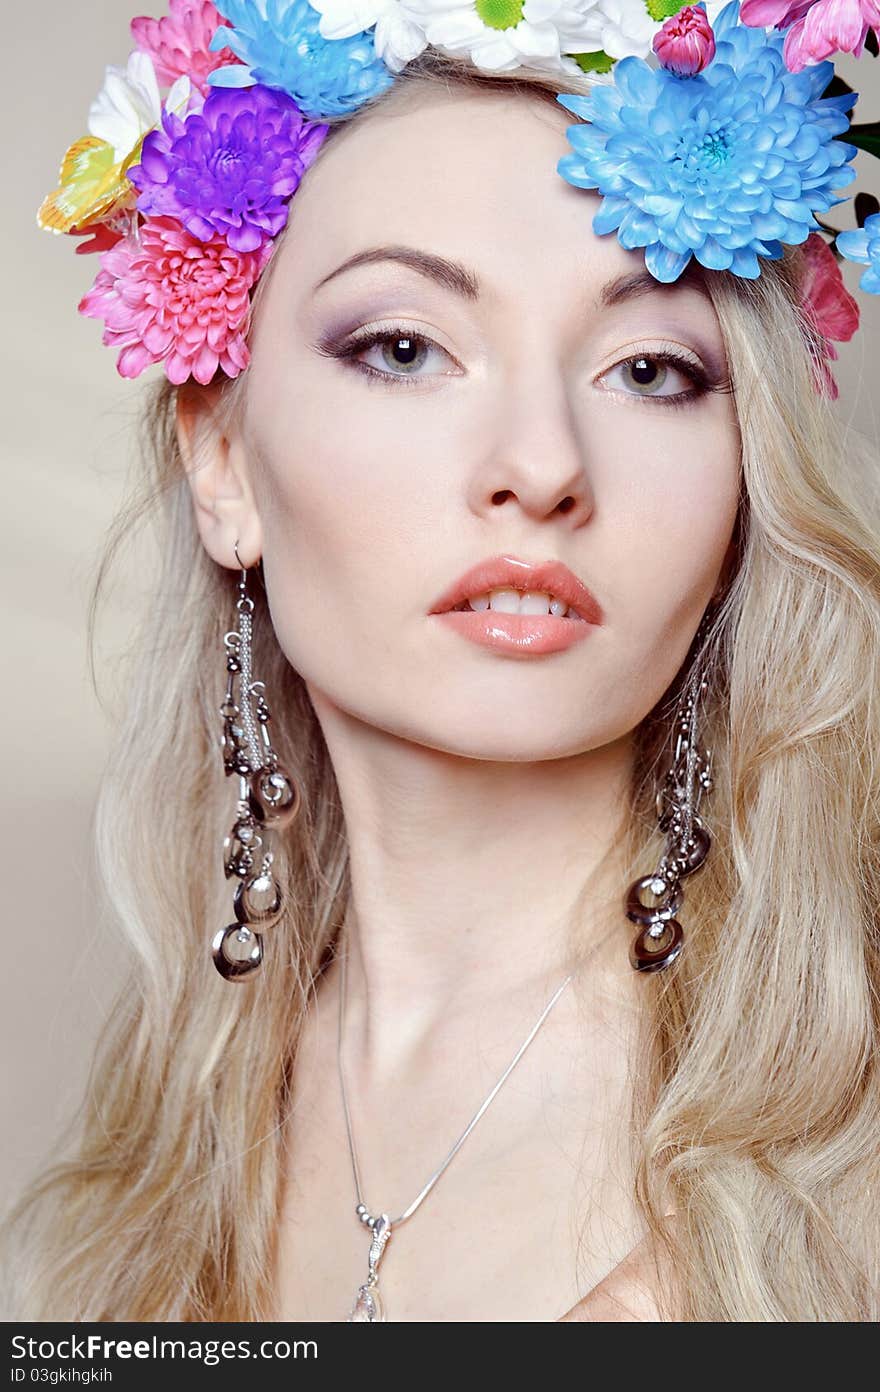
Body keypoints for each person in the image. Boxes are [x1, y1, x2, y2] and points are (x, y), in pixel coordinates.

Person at [3, 0, 880, 1322]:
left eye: (650, 370)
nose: (542, 465)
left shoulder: (842, 1171)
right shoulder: (176, 1125)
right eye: (405, 348)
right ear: (223, 459)